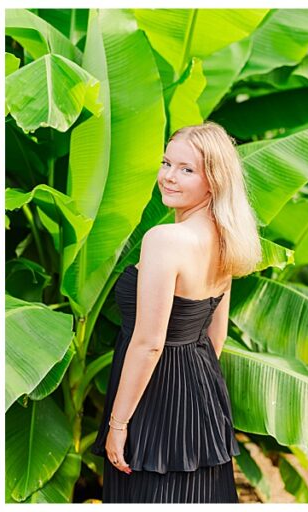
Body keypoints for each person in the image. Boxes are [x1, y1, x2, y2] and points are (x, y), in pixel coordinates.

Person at [91, 122, 262, 502]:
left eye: (187, 169)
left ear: (213, 180)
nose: (169, 177)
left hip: (151, 393)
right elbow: (215, 334)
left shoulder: (165, 240)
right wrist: (193, 394)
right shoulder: (229, 235)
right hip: (202, 386)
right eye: (167, 163)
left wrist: (118, 424)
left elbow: (150, 343)